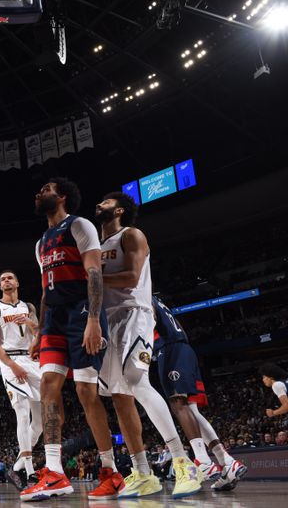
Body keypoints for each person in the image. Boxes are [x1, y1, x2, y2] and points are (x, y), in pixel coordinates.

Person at [95, 192, 201, 499]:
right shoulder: (95, 247)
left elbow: (131, 277)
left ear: (120, 209)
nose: (99, 204)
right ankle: (143, 474)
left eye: (106, 201)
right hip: (107, 321)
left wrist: (93, 278)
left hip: (134, 315)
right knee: (119, 397)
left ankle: (184, 463)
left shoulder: (131, 234)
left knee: (138, 382)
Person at [20, 178, 114, 501]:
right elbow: (46, 290)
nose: (38, 192)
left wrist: (92, 320)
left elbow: (94, 273)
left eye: (45, 188)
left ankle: (109, 471)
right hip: (55, 320)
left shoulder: (80, 226)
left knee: (86, 391)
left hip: (82, 312)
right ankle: (55, 472)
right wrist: (40, 331)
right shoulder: (40, 243)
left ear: (60, 196)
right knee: (48, 384)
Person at [152, 295, 247, 491]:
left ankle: (202, 459)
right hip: (184, 349)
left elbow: (150, 318)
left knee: (178, 404)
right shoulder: (160, 302)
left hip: (170, 350)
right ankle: (227, 462)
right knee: (192, 411)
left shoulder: (142, 296)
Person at [0, 270, 42, 489]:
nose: (6, 281)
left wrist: (31, 323)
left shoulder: (30, 307)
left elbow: (40, 334)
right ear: (0, 286)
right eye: (2, 279)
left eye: (10, 278)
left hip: (32, 360)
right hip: (11, 362)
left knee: (41, 420)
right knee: (22, 412)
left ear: (17, 282)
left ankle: (16, 467)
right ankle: (30, 471)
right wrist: (12, 365)